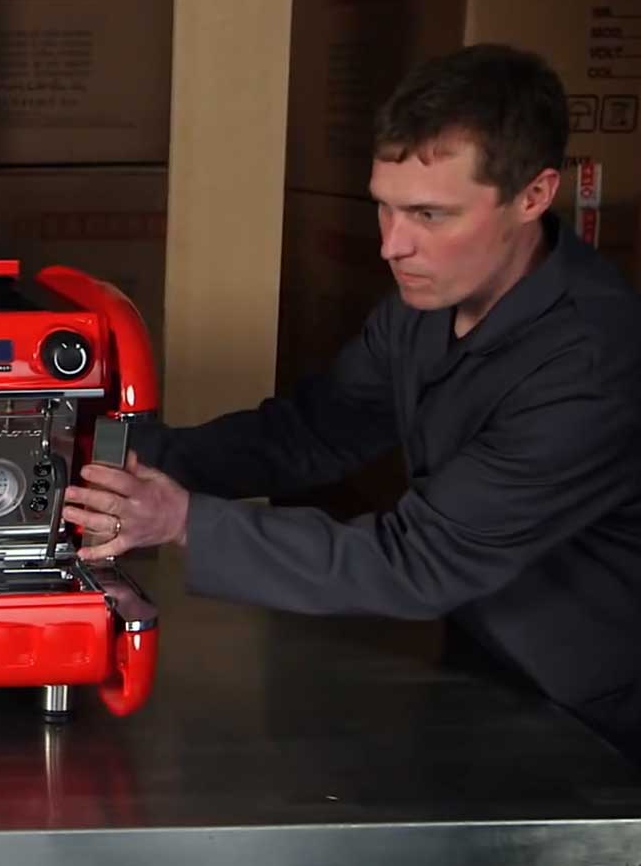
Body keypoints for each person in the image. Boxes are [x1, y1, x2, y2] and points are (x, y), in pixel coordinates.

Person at [64, 44, 641, 762]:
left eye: (429, 214)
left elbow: (419, 561)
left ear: (534, 196)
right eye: (385, 208)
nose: (393, 246)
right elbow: (315, 431)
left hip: (598, 715)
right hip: (488, 666)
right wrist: (97, 462)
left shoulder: (590, 365)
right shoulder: (428, 302)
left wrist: (180, 520)